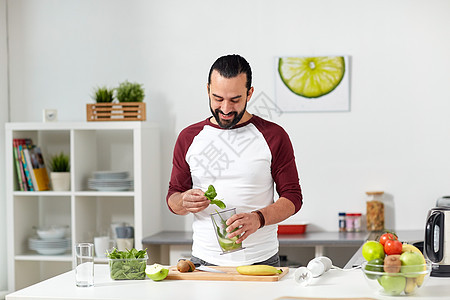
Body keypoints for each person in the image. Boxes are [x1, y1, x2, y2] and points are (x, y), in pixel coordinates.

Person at [166, 54, 302, 267]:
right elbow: (173, 197)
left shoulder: (274, 136)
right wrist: (183, 201)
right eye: (218, 98)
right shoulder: (188, 137)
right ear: (208, 90)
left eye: (235, 100)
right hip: (203, 262)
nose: (226, 109)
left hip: (261, 262)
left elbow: (293, 198)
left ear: (249, 93)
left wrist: (258, 218)